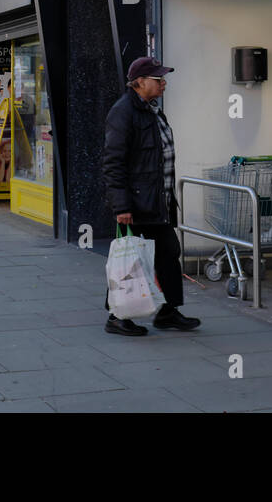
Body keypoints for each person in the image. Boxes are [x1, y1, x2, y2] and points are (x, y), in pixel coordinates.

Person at [101, 56, 200, 336]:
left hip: (158, 201)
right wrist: (121, 205)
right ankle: (116, 315)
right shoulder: (123, 112)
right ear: (140, 82)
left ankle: (168, 311)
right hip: (135, 202)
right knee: (128, 258)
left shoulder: (152, 110)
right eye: (158, 79)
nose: (164, 82)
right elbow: (113, 161)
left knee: (168, 252)